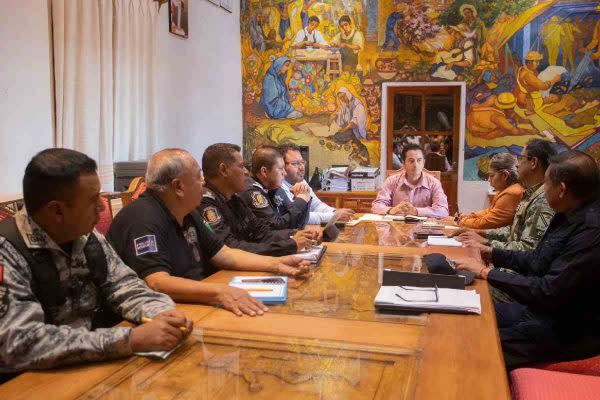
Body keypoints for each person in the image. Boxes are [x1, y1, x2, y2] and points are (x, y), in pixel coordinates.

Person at [0, 149, 192, 377]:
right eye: (93, 200)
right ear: (57, 211)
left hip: (88, 365)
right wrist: (129, 340)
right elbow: (22, 344)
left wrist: (164, 315)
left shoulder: (85, 236)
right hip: (27, 380)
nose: (101, 208)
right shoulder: (7, 251)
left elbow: (126, 286)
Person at [107, 149, 310, 318]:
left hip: (196, 300)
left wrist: (279, 263)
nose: (203, 182)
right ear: (178, 187)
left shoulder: (186, 211)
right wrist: (220, 292)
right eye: (198, 177)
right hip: (162, 313)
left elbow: (225, 254)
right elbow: (158, 282)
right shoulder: (142, 218)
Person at [455, 151, 600, 368]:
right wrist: (490, 252)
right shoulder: (566, 213)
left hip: (566, 331)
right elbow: (536, 260)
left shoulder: (591, 231)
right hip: (538, 311)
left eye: (546, 184)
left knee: (468, 344)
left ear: (561, 190)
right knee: (463, 315)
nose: (543, 189)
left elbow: (548, 291)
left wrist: (486, 272)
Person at [197, 144, 316, 256]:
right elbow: (230, 247)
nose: (246, 171)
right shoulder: (206, 203)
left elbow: (260, 232)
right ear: (223, 170)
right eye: (241, 166)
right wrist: (288, 245)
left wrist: (295, 234)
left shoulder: (233, 198)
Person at [456, 139, 557, 252]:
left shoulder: (542, 200)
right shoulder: (531, 193)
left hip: (514, 268)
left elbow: (528, 249)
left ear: (533, 162)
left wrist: (487, 243)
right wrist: (480, 233)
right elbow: (515, 230)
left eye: (521, 158)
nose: (517, 164)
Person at [279, 144, 354, 225]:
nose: (301, 167)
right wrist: (333, 216)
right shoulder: (278, 187)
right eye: (295, 164)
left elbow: (316, 205)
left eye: (302, 162)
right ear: (281, 166)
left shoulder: (301, 181)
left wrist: (334, 211)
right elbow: (298, 217)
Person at [240, 145, 310, 230]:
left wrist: (303, 197)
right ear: (264, 171)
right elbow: (275, 226)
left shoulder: (274, 188)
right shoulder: (252, 192)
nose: (285, 173)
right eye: (280, 169)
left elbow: (298, 225)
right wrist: (300, 201)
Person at [372, 144, 449, 218]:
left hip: (424, 230)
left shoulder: (433, 182)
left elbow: (443, 210)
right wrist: (391, 210)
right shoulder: (392, 181)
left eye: (419, 160)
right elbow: (377, 205)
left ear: (424, 162)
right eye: (411, 161)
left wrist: (416, 211)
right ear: (404, 163)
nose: (416, 165)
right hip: (397, 228)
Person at [458, 153, 524, 229]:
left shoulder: (511, 193)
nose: (489, 180)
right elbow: (490, 211)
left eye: (492, 175)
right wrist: (470, 215)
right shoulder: (505, 189)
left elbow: (484, 224)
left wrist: (462, 222)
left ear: (505, 175)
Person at [467, 92, 540, 139]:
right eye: (512, 107)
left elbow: (510, 113)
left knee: (508, 121)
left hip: (473, 115)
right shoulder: (497, 117)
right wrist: (530, 131)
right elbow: (514, 131)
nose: (513, 109)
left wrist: (521, 120)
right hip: (477, 129)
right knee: (504, 131)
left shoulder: (493, 98)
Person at [514, 51, 561, 115]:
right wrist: (555, 80)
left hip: (525, 97)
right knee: (554, 99)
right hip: (527, 101)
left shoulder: (525, 68)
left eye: (538, 61)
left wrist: (545, 83)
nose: (538, 64)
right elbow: (543, 87)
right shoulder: (527, 74)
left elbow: (535, 83)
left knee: (553, 97)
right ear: (530, 62)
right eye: (536, 62)